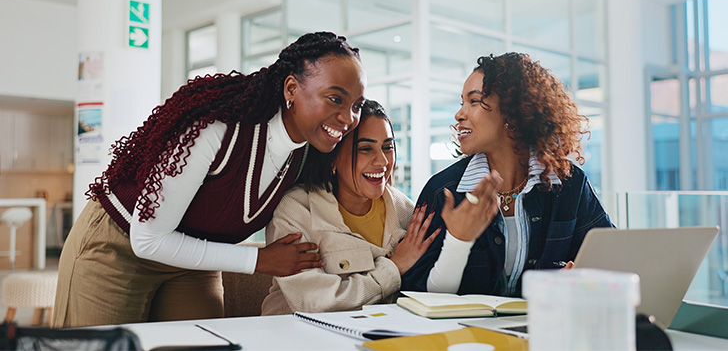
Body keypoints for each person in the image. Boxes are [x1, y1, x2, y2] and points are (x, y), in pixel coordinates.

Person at [54, 32, 367, 327]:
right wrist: (259, 260)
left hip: (192, 263)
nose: (349, 118)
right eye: (335, 99)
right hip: (118, 247)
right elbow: (148, 239)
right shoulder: (218, 129)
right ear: (291, 89)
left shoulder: (308, 156)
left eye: (356, 106)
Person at [400, 52, 614, 297]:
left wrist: (578, 278)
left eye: (474, 101)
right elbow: (416, 290)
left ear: (512, 111)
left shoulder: (570, 185)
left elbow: (609, 262)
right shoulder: (444, 191)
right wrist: (458, 241)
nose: (459, 115)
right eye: (462, 102)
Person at [261, 100, 440, 315]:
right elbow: (316, 302)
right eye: (365, 149)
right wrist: (394, 267)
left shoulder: (406, 211)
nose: (382, 161)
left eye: (387, 147)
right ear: (332, 159)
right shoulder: (297, 210)